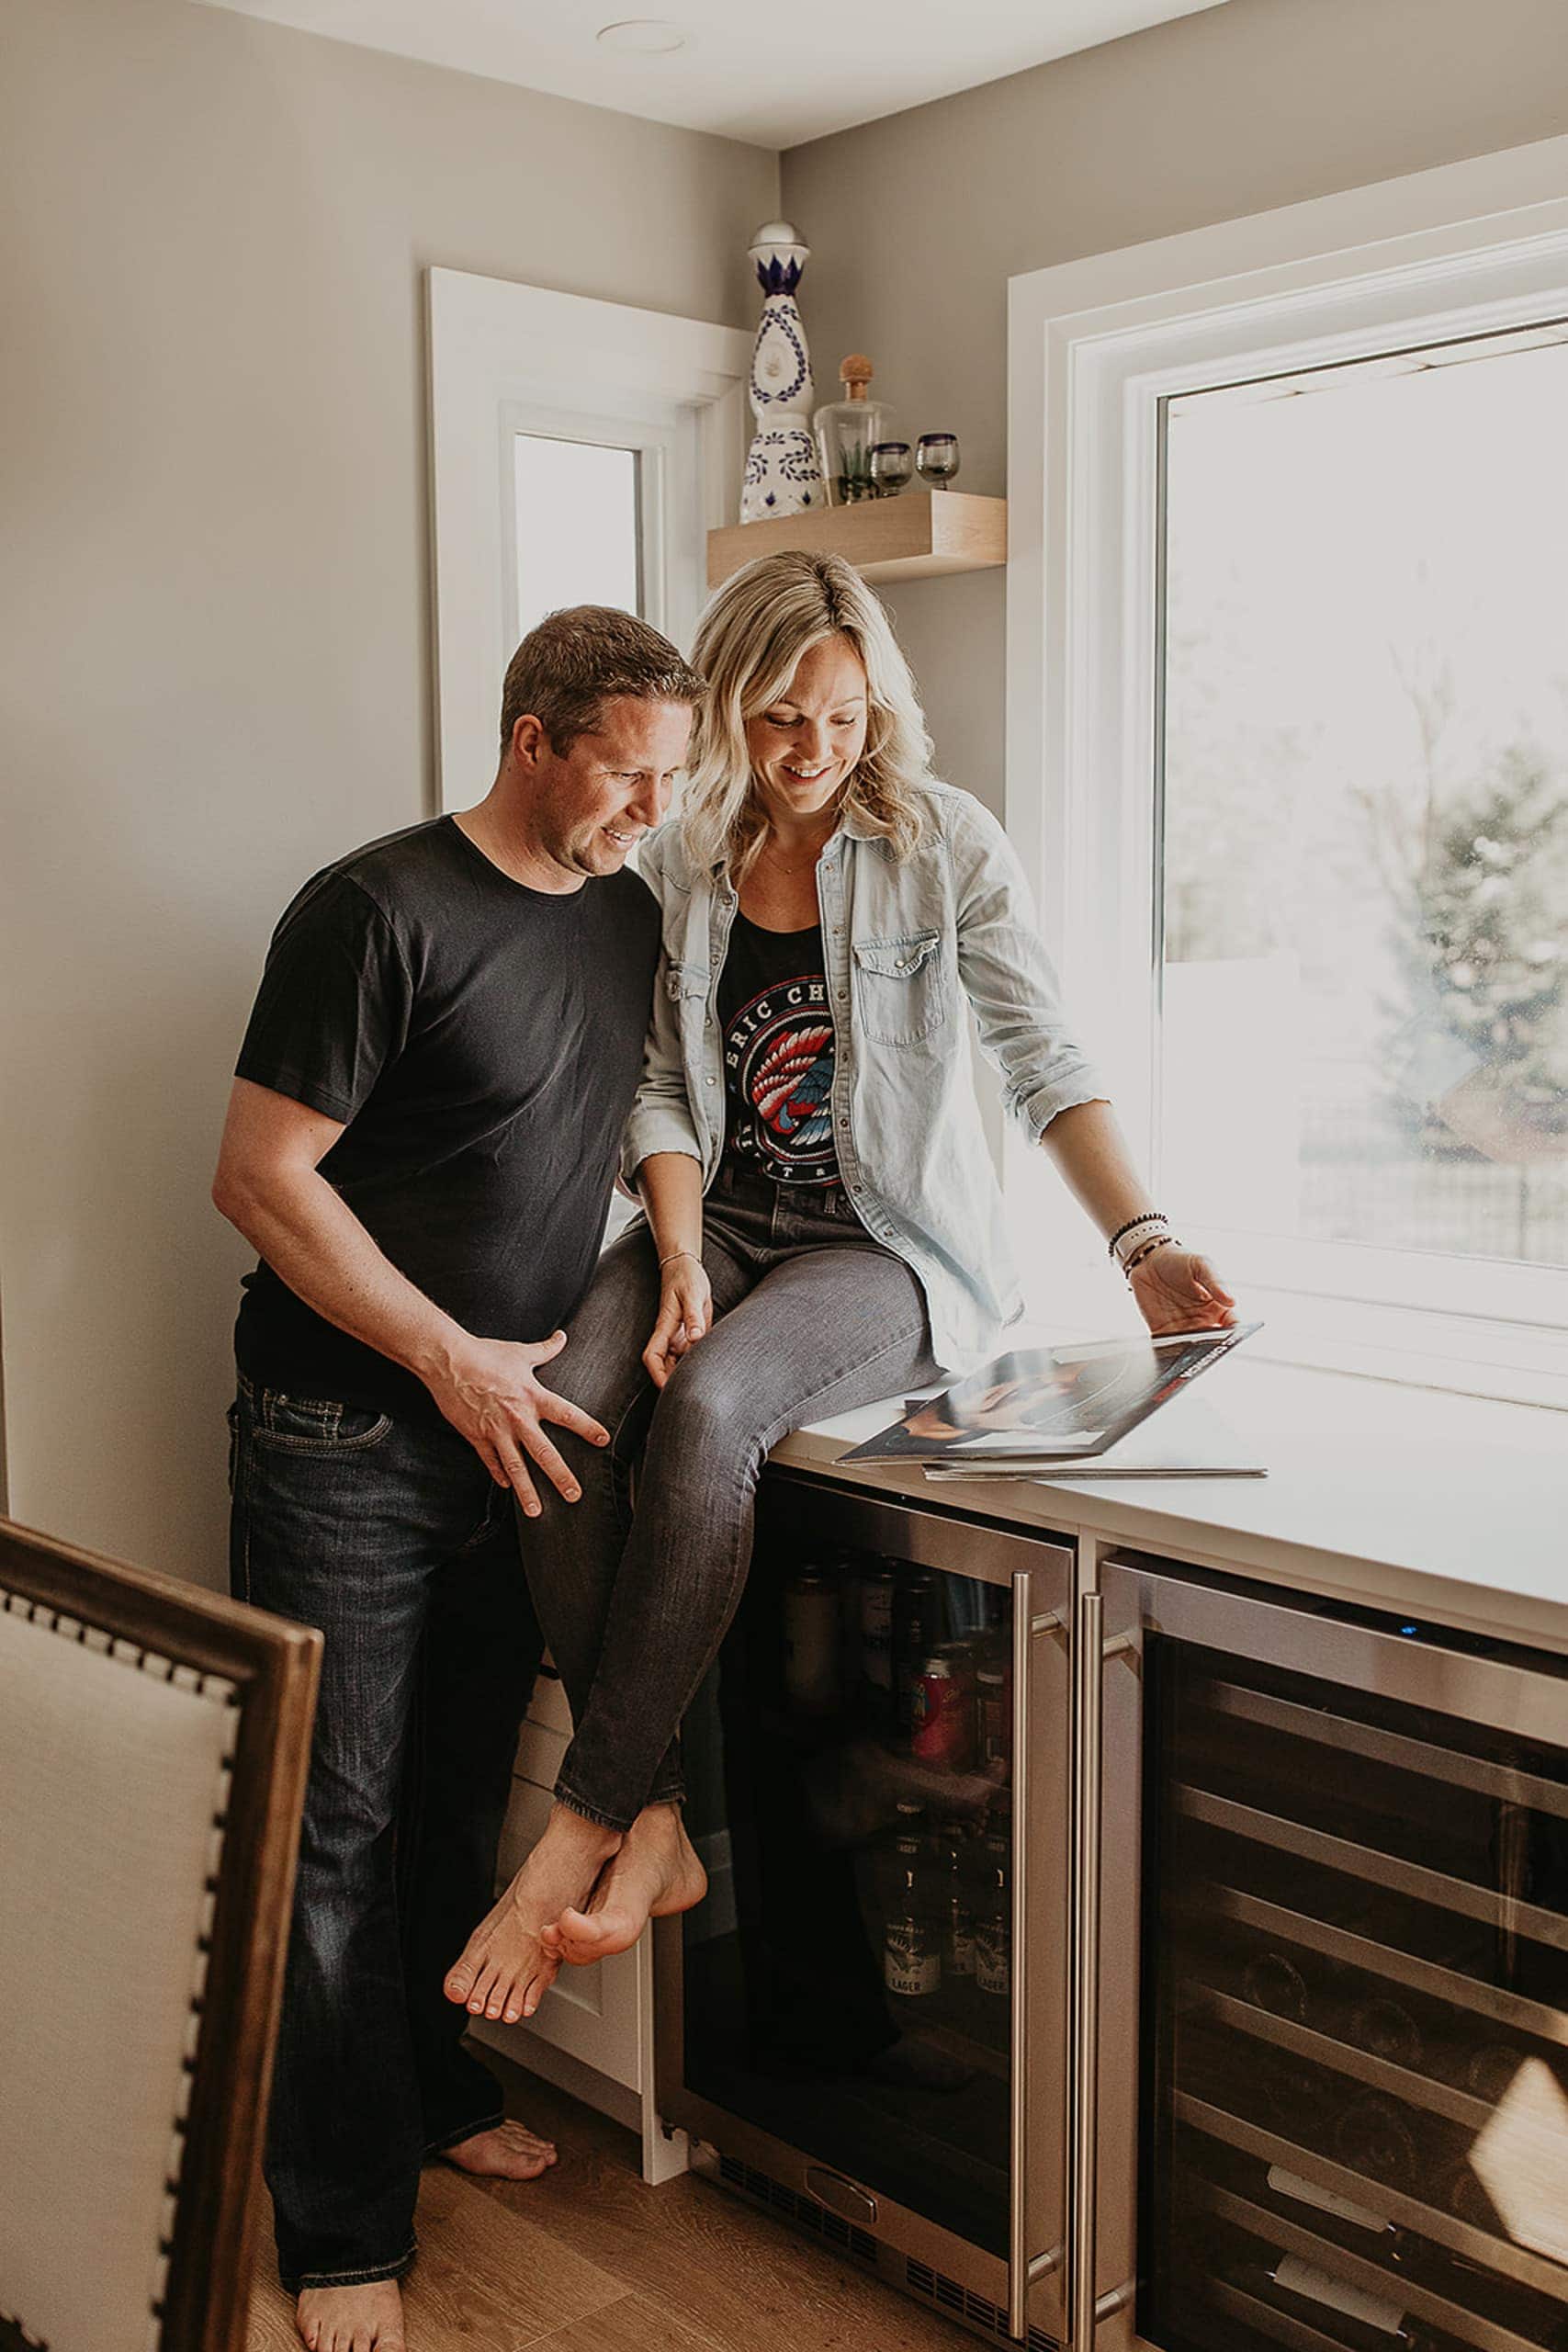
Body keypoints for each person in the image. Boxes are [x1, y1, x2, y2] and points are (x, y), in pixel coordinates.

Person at [444, 549, 1235, 2029]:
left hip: (885, 1249)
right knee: (553, 1404)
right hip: (721, 1224)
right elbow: (663, 1088)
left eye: (847, 720)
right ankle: (660, 1820)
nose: (814, 754)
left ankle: (583, 1820)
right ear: (729, 703)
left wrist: (1141, 1244)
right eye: (782, 719)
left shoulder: (945, 847)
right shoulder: (681, 860)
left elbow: (1044, 1063)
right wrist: (676, 1256)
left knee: (715, 1408)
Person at [212, 606, 703, 2352]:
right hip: (346, 1433)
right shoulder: (372, 910)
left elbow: (646, 1118)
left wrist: (664, 1273)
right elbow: (262, 1177)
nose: (653, 806)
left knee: (448, 1795)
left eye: (670, 777)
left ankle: (421, 2096)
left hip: (523, 1435)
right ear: (531, 741)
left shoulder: (631, 915)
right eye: (627, 773)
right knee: (328, 1827)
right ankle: (339, 2230)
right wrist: (443, 1354)